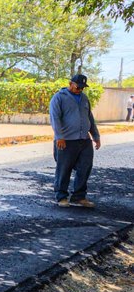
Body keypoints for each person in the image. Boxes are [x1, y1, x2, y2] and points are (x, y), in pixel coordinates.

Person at [49, 74, 101, 208]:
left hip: (84, 140)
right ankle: (61, 196)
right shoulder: (59, 97)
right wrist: (59, 136)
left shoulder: (84, 98)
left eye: (83, 88)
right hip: (66, 140)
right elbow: (55, 118)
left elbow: (90, 117)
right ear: (70, 83)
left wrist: (96, 136)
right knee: (64, 168)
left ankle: (79, 196)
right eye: (78, 87)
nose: (80, 90)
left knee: (85, 167)